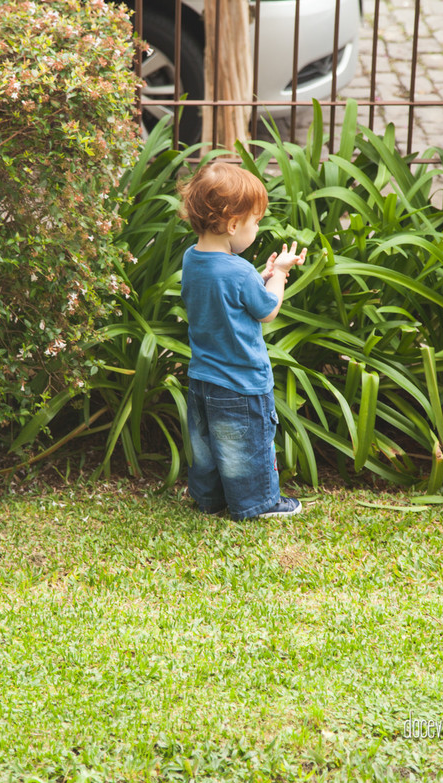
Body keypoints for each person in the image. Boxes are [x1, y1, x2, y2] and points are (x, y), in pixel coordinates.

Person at [178, 161, 307, 520]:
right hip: (240, 383)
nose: (257, 227)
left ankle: (209, 499)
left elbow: (227, 291)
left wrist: (259, 274)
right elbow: (266, 309)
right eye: (255, 221)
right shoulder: (238, 271)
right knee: (245, 446)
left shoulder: (192, 258)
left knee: (207, 448)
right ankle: (258, 504)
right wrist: (278, 274)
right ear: (233, 224)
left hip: (203, 378)